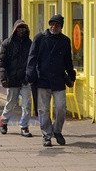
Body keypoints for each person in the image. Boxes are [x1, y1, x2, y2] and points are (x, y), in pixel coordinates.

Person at [26, 14, 76, 147]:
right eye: (52, 24)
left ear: (61, 27)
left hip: (58, 80)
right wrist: (30, 74)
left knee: (61, 108)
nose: (54, 27)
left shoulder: (65, 41)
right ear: (49, 25)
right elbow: (32, 57)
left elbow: (68, 61)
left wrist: (71, 76)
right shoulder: (40, 38)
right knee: (43, 109)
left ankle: (57, 131)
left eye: (57, 25)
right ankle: (46, 135)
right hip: (42, 79)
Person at [0, 20, 33, 137]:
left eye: (23, 28)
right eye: (19, 28)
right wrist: (3, 78)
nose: (21, 30)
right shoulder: (7, 43)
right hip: (12, 79)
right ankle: (3, 123)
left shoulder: (30, 44)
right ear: (14, 29)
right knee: (11, 104)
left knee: (27, 104)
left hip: (25, 79)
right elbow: (1, 62)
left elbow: (33, 61)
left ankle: (24, 126)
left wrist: (31, 75)